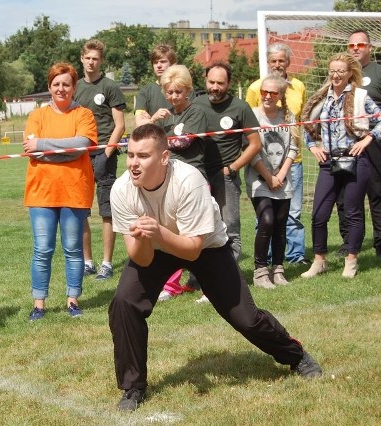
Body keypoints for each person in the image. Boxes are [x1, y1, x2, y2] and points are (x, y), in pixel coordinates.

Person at [108, 123, 322, 411]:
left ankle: (295, 355)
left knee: (246, 318)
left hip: (205, 247)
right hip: (157, 246)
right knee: (124, 303)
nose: (134, 163)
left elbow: (193, 249)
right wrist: (148, 237)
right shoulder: (122, 190)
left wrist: (157, 231)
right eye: (130, 155)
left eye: (143, 156)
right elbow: (142, 259)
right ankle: (133, 387)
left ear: (163, 158)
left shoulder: (188, 180)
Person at [22, 62, 98, 320]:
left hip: (75, 192)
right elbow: (32, 151)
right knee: (42, 249)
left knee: (73, 249)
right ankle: (39, 304)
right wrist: (66, 152)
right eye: (56, 84)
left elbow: (80, 145)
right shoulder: (37, 116)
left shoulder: (84, 115)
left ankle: (73, 300)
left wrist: (43, 146)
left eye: (66, 84)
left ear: (74, 87)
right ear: (49, 87)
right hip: (41, 193)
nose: (61, 88)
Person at [300, 53, 381, 279]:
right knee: (319, 214)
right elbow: (306, 123)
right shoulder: (321, 98)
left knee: (353, 212)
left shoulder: (360, 96)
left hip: (357, 160)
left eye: (341, 71)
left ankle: (351, 260)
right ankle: (319, 261)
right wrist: (311, 146)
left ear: (349, 73)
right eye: (332, 71)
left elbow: (380, 119)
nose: (336, 75)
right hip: (328, 162)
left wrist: (367, 139)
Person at [245, 43, 308, 265]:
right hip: (262, 164)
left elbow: (298, 124)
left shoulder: (299, 86)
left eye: (281, 60)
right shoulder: (255, 88)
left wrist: (283, 171)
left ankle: (295, 256)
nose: (277, 64)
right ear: (268, 62)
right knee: (264, 218)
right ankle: (266, 258)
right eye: (274, 60)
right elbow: (250, 126)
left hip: (292, 163)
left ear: (288, 62)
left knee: (293, 214)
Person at [194, 61, 262, 263]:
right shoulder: (195, 105)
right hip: (198, 177)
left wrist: (232, 168)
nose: (215, 87)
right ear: (205, 80)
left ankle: (231, 278)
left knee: (230, 228)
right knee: (199, 228)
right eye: (211, 82)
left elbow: (255, 144)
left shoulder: (240, 107)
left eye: (220, 83)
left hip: (226, 178)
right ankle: (198, 279)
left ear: (229, 83)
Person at [156, 64, 209, 301]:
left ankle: (211, 285)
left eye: (178, 91)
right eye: (169, 92)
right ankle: (171, 285)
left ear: (187, 91)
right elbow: (149, 140)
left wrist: (159, 141)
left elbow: (183, 143)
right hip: (169, 179)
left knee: (198, 234)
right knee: (171, 233)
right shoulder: (165, 116)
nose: (173, 96)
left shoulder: (196, 112)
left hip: (193, 179)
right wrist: (155, 122)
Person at [75, 39, 127, 280]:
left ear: (100, 61)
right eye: (88, 58)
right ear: (82, 59)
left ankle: (106, 263)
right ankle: (88, 262)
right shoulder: (74, 87)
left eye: (96, 58)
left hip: (105, 153)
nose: (91, 62)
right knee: (81, 211)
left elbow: (120, 125)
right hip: (80, 156)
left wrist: (106, 154)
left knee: (107, 211)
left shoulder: (110, 86)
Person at [245, 75, 300, 288]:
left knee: (280, 224)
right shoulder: (252, 116)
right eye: (264, 92)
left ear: (280, 95)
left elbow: (293, 147)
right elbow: (251, 150)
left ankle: (278, 269)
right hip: (260, 180)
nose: (267, 96)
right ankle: (260, 272)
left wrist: (282, 173)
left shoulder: (288, 116)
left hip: (282, 179)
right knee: (266, 220)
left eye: (273, 93)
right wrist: (268, 177)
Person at [335, 30, 381, 258]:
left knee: (377, 193)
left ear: (369, 48)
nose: (355, 48)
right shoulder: (342, 73)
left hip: (373, 143)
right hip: (345, 145)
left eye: (360, 45)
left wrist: (371, 136)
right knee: (346, 197)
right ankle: (349, 244)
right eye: (351, 45)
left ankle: (380, 244)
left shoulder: (378, 71)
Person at [134, 44, 176, 127]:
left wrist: (148, 120)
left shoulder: (184, 89)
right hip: (154, 137)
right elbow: (139, 124)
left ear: (172, 64)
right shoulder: (145, 91)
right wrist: (153, 119)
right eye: (155, 62)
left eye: (163, 61)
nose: (159, 66)